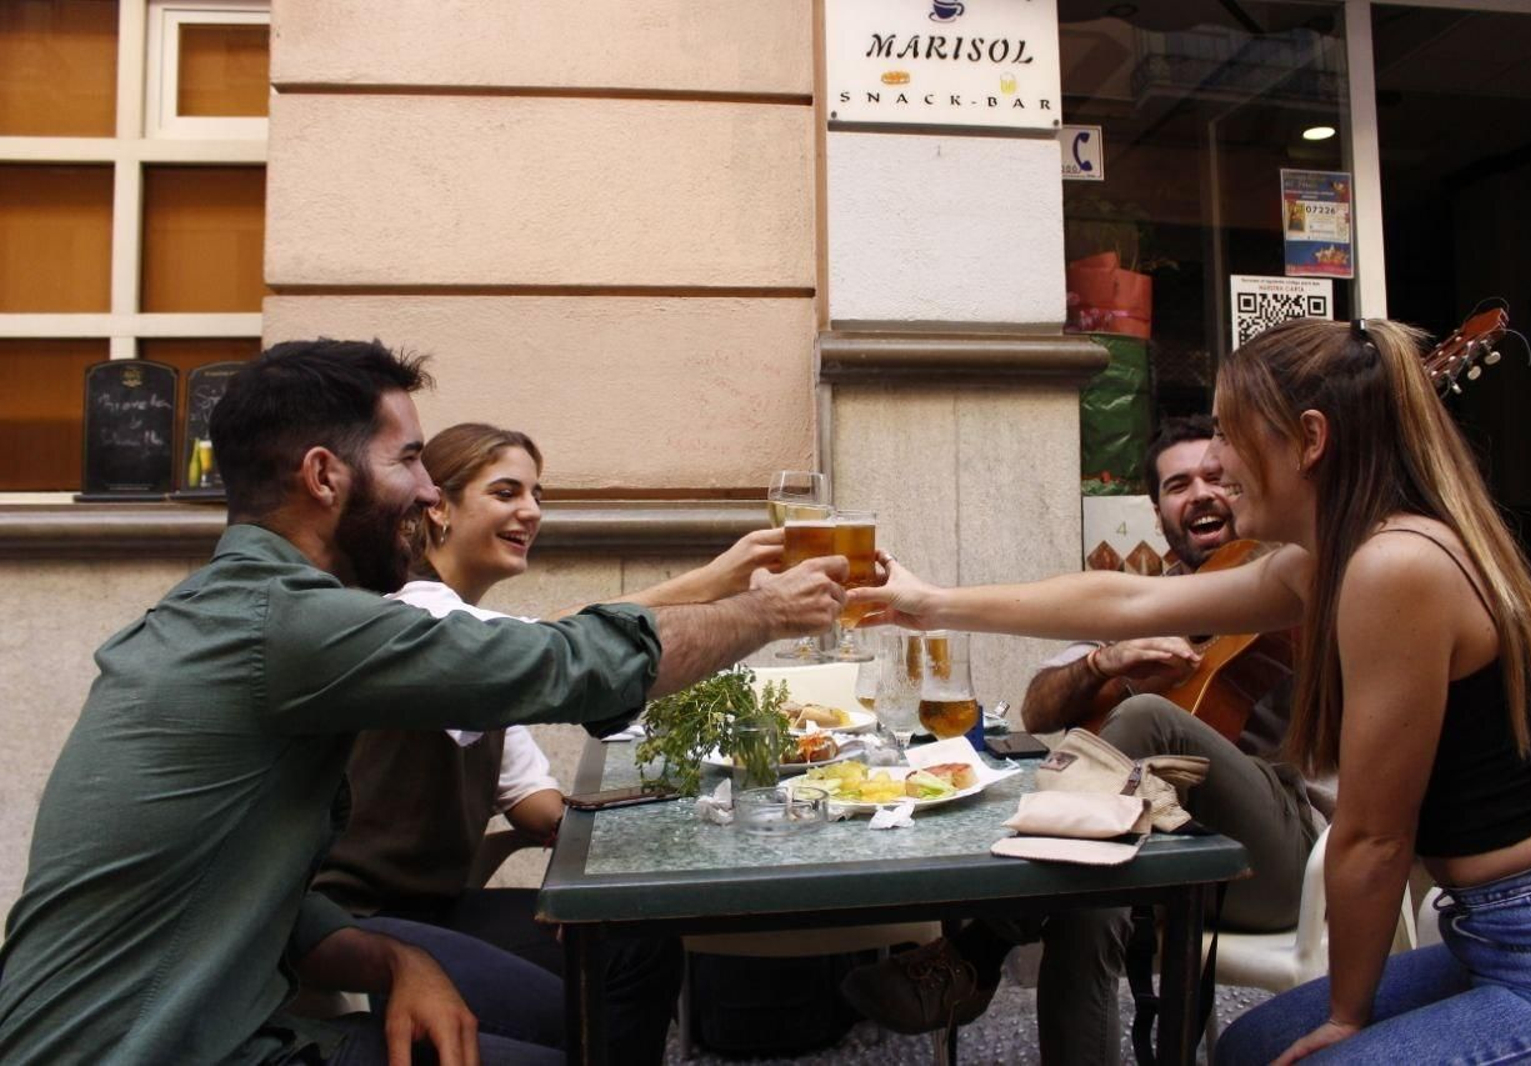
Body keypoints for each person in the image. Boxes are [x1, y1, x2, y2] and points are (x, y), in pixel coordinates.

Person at [0, 340, 844, 1066]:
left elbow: (250, 888)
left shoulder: (237, 612)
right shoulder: (289, 625)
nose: (429, 492)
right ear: (324, 476)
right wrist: (765, 611)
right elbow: (570, 666)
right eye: (408, 460)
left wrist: (394, 962)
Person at [851, 318, 1531, 1064]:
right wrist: (935, 602)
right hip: (1495, 927)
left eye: (1231, 434)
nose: (1216, 461)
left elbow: (1375, 838)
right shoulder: (1336, 560)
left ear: (1309, 440)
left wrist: (1347, 1017)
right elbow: (1125, 603)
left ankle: (977, 948)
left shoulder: (1393, 565)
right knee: (1250, 1045)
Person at [842, 415, 1322, 1064]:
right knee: (1090, 876)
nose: (1202, 493)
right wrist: (1107, 663)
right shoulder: (1156, 594)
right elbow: (1041, 706)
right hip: (1166, 854)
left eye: (1218, 477)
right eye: (1179, 484)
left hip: (1277, 859)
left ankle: (979, 949)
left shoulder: (1302, 572)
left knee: (1144, 724)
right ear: (1159, 514)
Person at [315, 422, 783, 1065]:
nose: (530, 511)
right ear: (439, 507)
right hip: (351, 925)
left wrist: (669, 818)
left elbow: (533, 802)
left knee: (634, 940)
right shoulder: (413, 615)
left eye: (537, 493)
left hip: (439, 908)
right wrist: (720, 580)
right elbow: (555, 649)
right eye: (506, 492)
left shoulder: (475, 635)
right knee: (583, 1008)